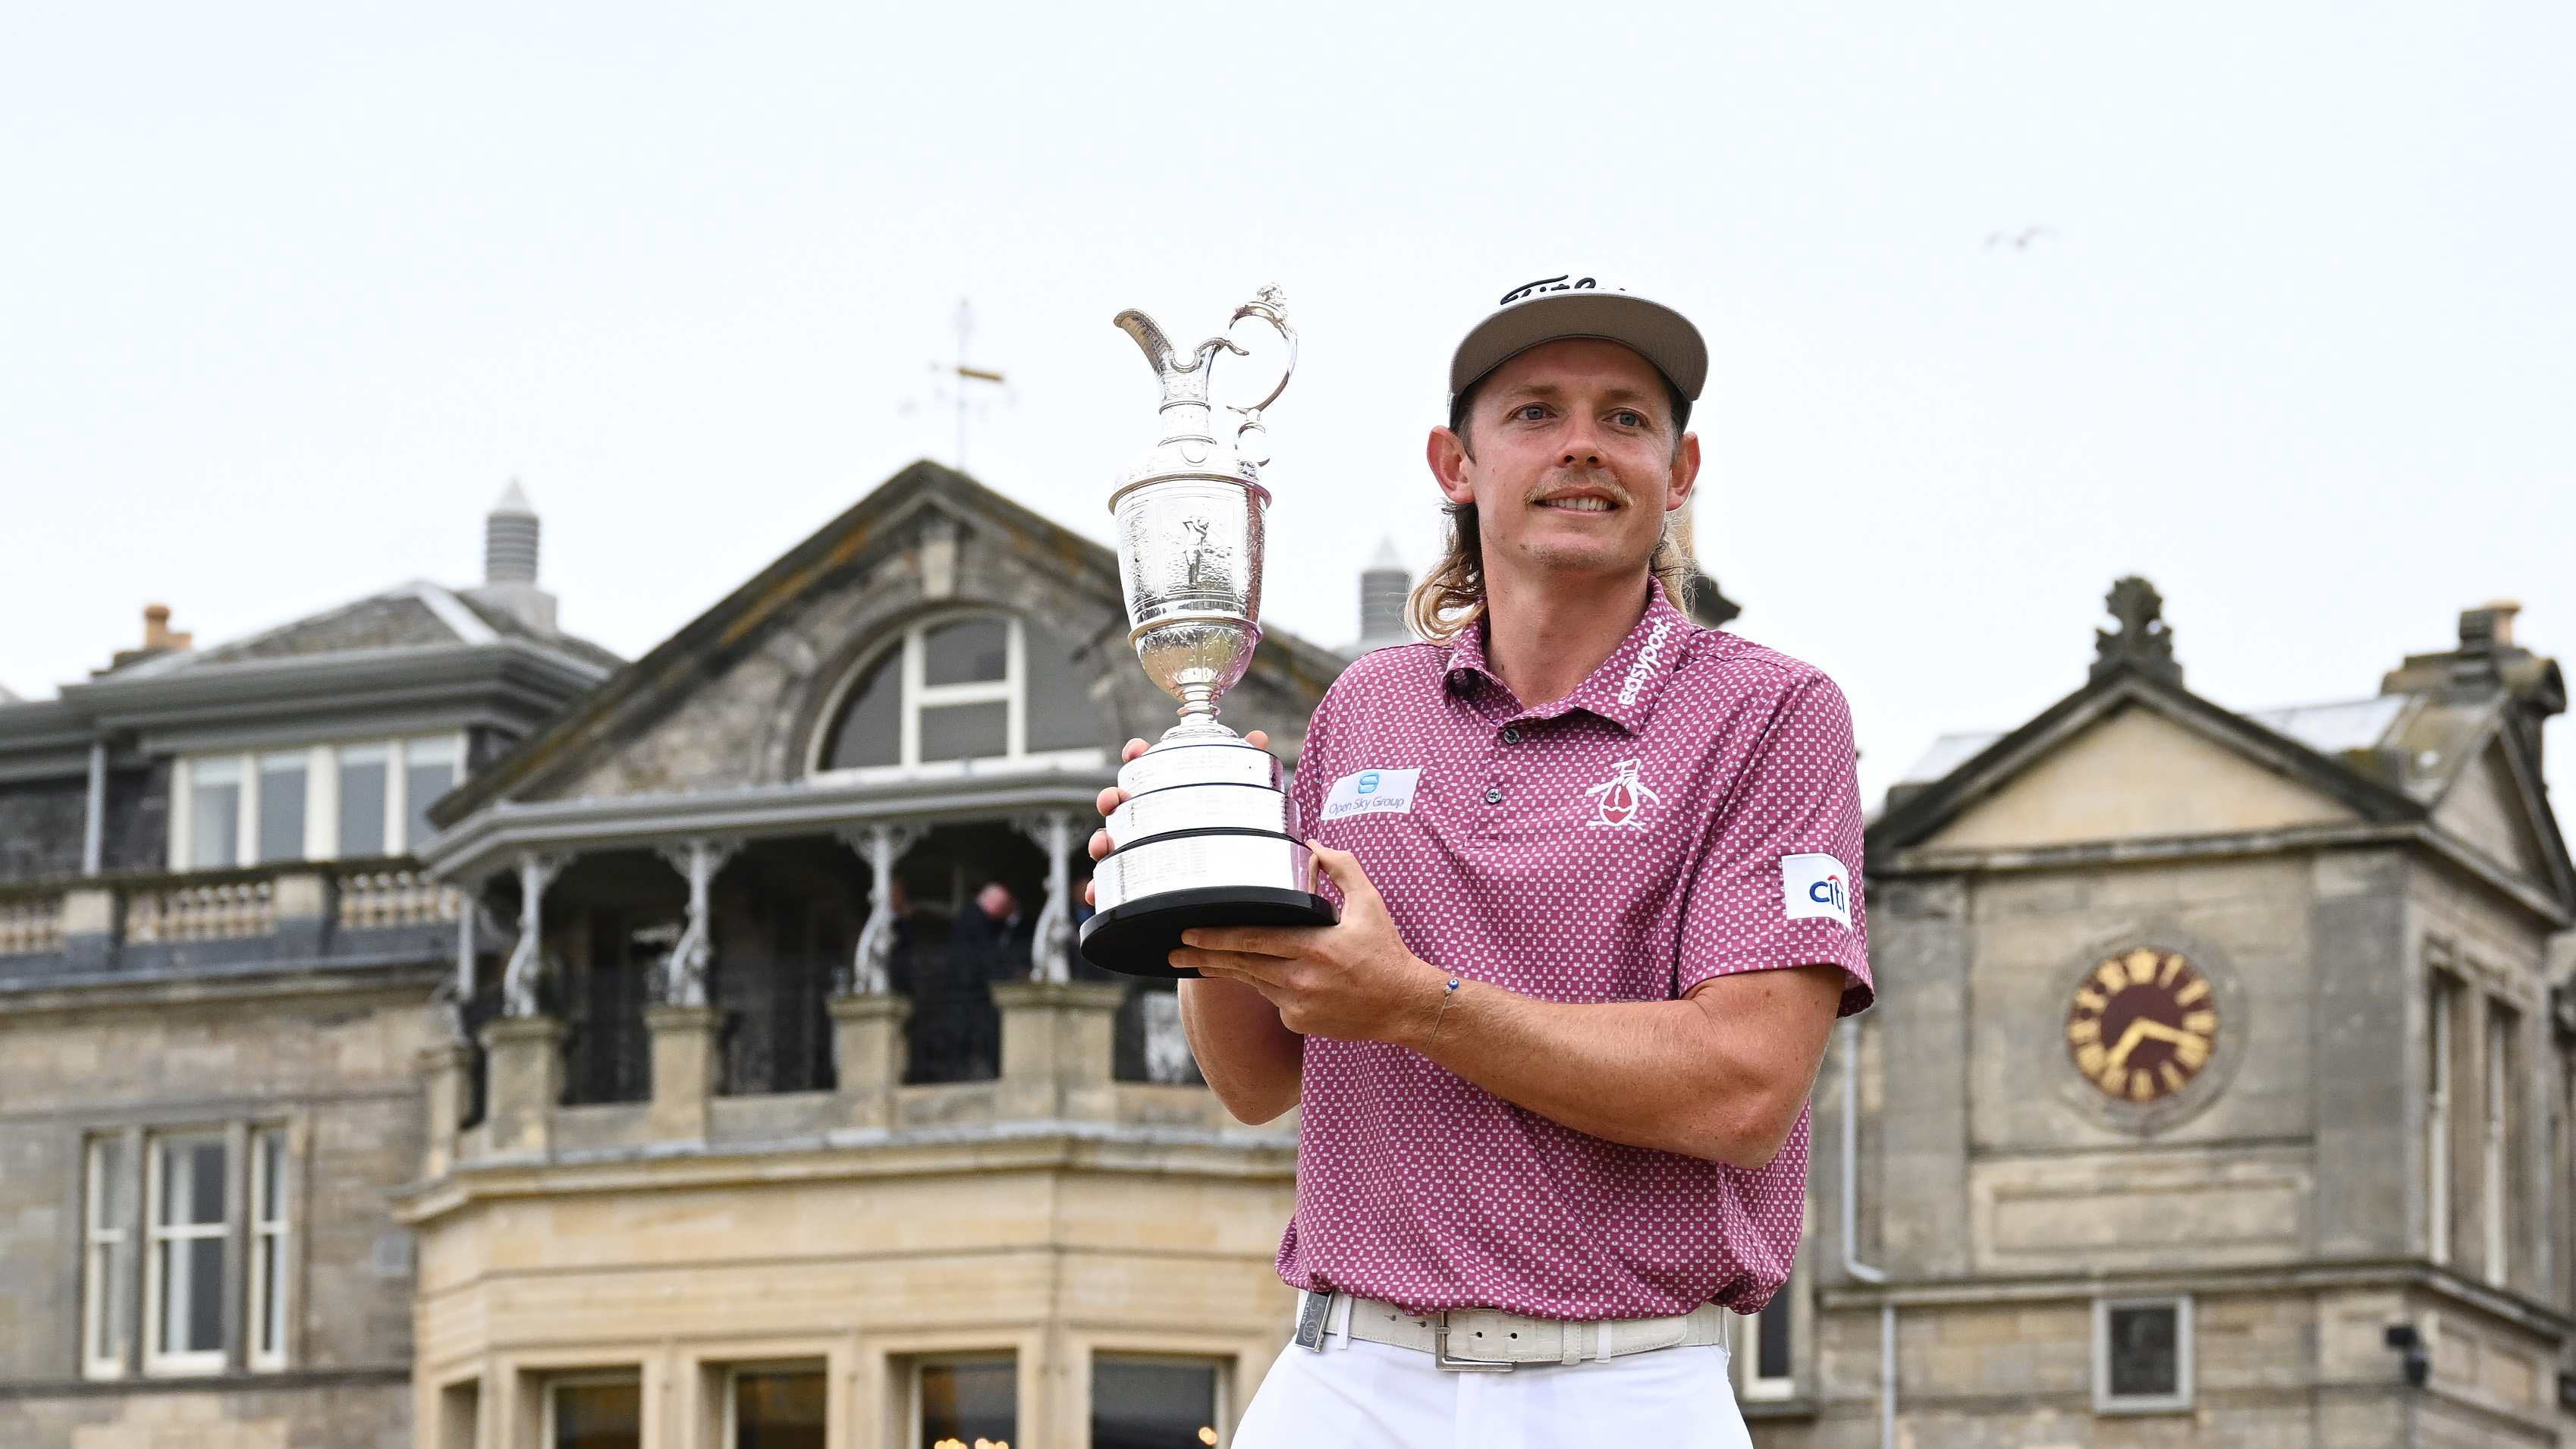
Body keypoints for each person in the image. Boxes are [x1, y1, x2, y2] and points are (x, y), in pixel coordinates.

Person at [1086, 279, 1872, 1447]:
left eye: (1624, 418)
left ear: (1682, 465)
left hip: (1629, 1382)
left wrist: (1418, 1006)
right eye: (1535, 413)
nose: (1582, 448)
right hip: (1346, 1374)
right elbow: (1257, 1078)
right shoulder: (1367, 705)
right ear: (1455, 462)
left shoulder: (1770, 712)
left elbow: (1746, 1085)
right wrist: (1201, 884)